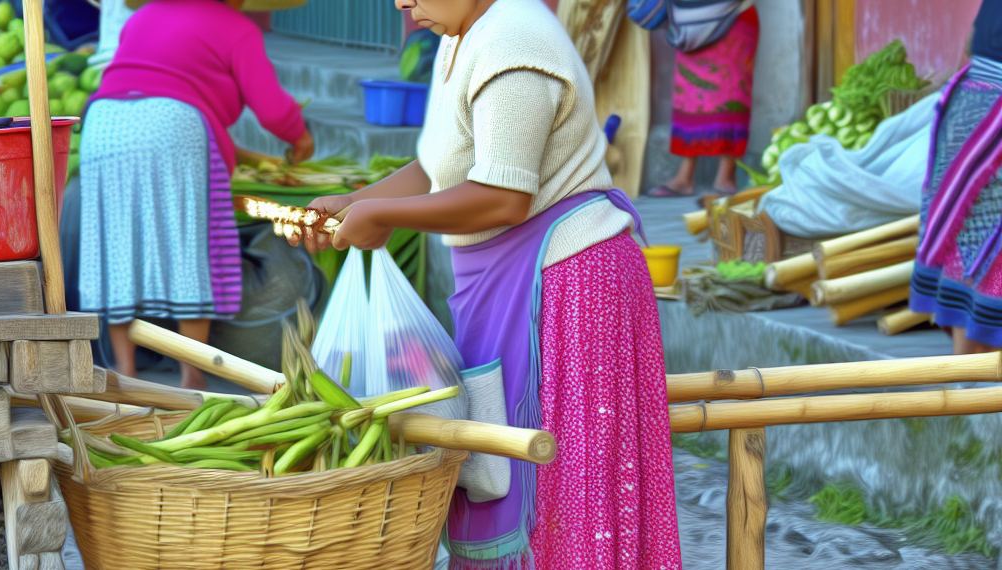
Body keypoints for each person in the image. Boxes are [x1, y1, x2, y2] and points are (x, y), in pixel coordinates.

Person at [285, 0, 682, 568]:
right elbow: (445, 167)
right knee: (505, 475)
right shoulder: (464, 35)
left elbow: (503, 196)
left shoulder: (514, 41)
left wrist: (384, 216)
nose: (401, 4)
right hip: (509, 285)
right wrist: (357, 202)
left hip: (569, 292)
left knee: (566, 497)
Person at [78, 0, 314, 389]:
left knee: (118, 247)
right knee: (189, 245)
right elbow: (272, 109)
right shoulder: (237, 27)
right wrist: (301, 138)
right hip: (175, 125)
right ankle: (192, 374)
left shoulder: (144, 15)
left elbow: (153, 85)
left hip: (104, 125)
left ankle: (125, 371)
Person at [911, 0, 1002, 355]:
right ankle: (972, 372)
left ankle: (967, 372)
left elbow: (971, 39)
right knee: (981, 247)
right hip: (987, 114)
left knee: (968, 241)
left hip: (971, 101)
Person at [648, 1, 760, 197]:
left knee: (731, 91)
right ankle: (685, 178)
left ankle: (726, 177)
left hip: (734, 14)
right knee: (691, 96)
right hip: (691, 23)